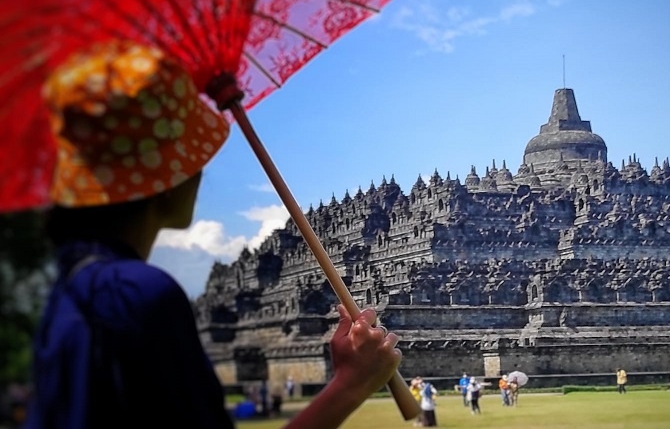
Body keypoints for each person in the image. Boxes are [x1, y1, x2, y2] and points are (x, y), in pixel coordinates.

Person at [24, 41, 403, 429]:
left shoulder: (78, 289)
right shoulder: (135, 292)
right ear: (166, 177)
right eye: (193, 158)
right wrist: (352, 384)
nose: (200, 175)